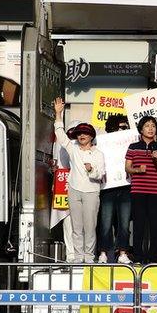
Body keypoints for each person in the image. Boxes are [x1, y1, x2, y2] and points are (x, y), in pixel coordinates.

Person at [52, 98, 105, 263]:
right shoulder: (73, 149)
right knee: (76, 227)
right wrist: (58, 113)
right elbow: (60, 134)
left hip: (91, 192)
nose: (82, 135)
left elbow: (101, 173)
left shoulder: (98, 154)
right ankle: (77, 257)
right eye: (80, 133)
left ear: (91, 136)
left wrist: (92, 170)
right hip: (74, 190)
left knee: (90, 227)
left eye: (85, 133)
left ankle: (89, 257)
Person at [125, 116, 157, 263]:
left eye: (153, 126)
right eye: (147, 126)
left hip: (156, 192)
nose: (150, 128)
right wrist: (138, 170)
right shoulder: (133, 146)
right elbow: (127, 168)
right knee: (139, 226)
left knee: (155, 226)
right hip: (138, 191)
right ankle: (138, 257)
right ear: (141, 129)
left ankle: (153, 258)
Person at [97, 114, 132, 264]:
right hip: (107, 188)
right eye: (123, 127)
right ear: (113, 128)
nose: (126, 130)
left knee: (124, 223)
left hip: (125, 186)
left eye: (127, 128)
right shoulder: (101, 143)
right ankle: (103, 253)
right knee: (105, 222)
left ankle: (123, 252)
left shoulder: (131, 144)